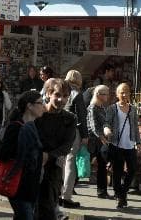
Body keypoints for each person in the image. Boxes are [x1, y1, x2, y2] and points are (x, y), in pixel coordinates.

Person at [0, 90, 45, 219]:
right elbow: (4, 155)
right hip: (19, 185)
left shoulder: (33, 126)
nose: (43, 106)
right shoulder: (16, 127)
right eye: (40, 103)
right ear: (29, 106)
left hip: (31, 186)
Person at [35, 78, 76, 220]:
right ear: (48, 93)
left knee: (47, 209)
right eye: (57, 95)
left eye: (65, 96)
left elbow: (67, 145)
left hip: (53, 169)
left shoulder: (70, 118)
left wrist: (49, 155)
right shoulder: (37, 114)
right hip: (32, 167)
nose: (61, 99)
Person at [104, 83, 140, 209]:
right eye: (122, 92)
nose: (124, 95)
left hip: (130, 144)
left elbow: (135, 127)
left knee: (133, 170)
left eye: (127, 92)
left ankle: (122, 193)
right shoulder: (112, 108)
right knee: (118, 172)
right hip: (117, 144)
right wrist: (107, 130)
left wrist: (138, 143)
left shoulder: (133, 109)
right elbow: (106, 123)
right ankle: (119, 196)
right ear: (117, 94)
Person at [60, 70, 89, 209]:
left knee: (62, 161)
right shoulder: (77, 95)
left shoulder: (62, 92)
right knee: (70, 163)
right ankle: (66, 196)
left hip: (61, 130)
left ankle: (59, 193)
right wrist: (85, 135)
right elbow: (82, 117)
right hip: (74, 131)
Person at [87, 85, 111, 199]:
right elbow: (93, 126)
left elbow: (105, 122)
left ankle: (102, 191)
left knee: (102, 166)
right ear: (98, 95)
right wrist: (102, 138)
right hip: (94, 140)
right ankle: (68, 188)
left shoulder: (102, 107)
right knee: (98, 165)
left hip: (101, 140)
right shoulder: (93, 107)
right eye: (105, 93)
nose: (108, 96)